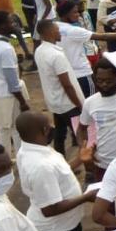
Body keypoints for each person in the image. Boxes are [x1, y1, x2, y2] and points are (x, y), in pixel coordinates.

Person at [57, 0, 116, 97]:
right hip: (82, 74)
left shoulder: (54, 26)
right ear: (65, 14)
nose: (77, 14)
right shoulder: (74, 30)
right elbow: (103, 36)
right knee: (90, 100)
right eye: (74, 12)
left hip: (68, 72)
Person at [33, 20, 85, 155]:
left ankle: (61, 160)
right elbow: (67, 85)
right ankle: (88, 171)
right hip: (69, 104)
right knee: (81, 136)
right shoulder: (56, 55)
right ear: (49, 32)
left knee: (60, 134)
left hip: (55, 102)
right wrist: (79, 105)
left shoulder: (39, 50)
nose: (59, 32)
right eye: (57, 30)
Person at [0, 11, 30, 156]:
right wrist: (23, 101)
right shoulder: (5, 49)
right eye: (11, 22)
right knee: (16, 130)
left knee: (4, 129)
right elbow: (12, 81)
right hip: (9, 95)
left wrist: (15, 62)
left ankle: (2, 161)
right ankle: (20, 160)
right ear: (2, 26)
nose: (14, 25)